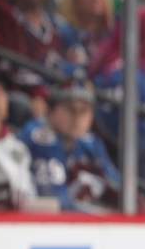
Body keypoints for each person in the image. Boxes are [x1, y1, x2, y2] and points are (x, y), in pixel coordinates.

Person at [19, 80, 121, 211]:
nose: (77, 117)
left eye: (84, 110)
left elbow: (117, 185)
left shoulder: (90, 142)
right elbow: (54, 199)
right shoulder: (39, 136)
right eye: (70, 109)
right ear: (51, 111)